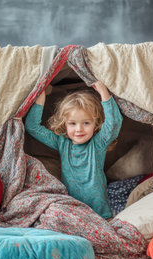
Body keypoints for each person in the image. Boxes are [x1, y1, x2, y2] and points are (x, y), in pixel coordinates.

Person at [25, 81, 122, 219]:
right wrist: (41, 97)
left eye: (86, 123)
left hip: (100, 214)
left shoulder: (98, 143)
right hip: (72, 211)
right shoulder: (62, 143)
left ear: (96, 124)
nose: (79, 129)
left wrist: (103, 92)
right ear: (64, 124)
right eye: (72, 123)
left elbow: (114, 123)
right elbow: (32, 126)